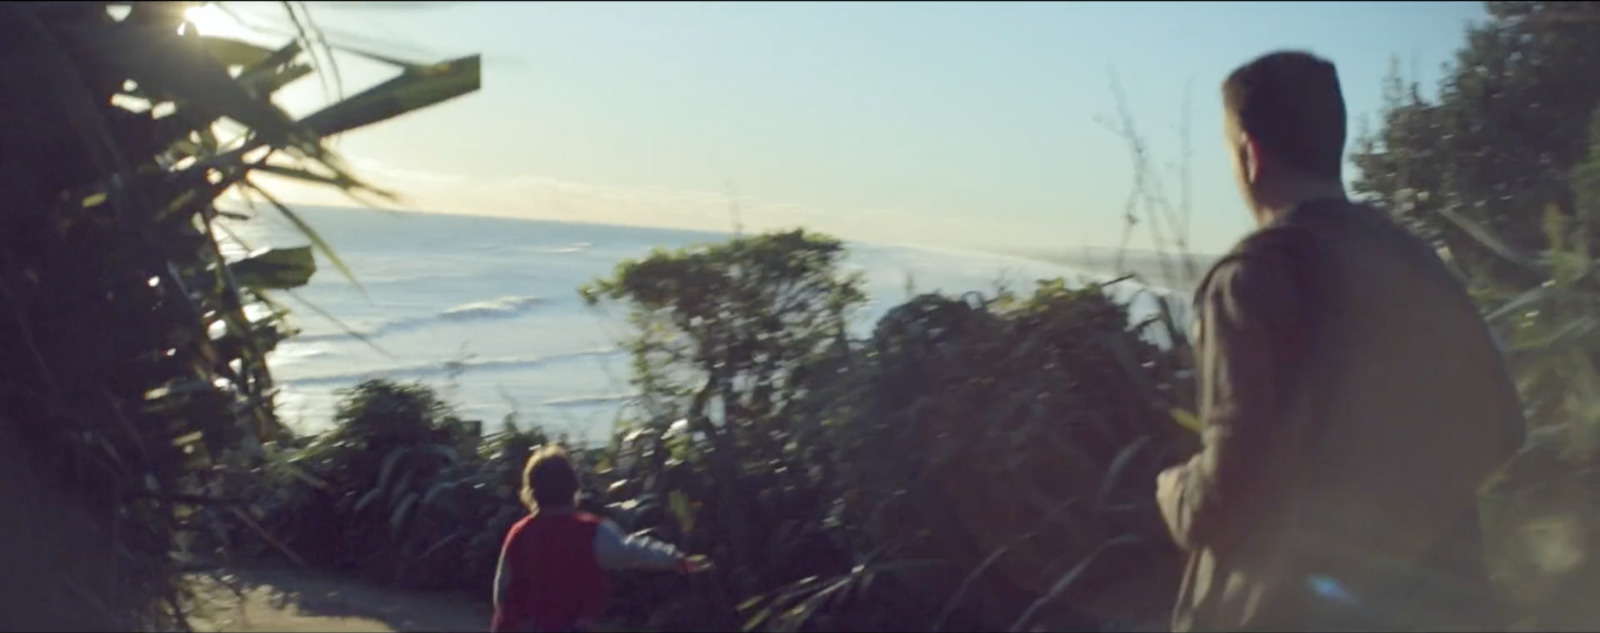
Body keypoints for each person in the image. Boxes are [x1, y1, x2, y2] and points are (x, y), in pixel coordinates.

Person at [1155, 50, 1527, 632]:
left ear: (1250, 155)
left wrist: (1174, 492)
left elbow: (1227, 492)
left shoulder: (1252, 279)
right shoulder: (1416, 261)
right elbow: (1505, 426)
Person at [491, 445, 707, 633]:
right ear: (574, 489)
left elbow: (501, 592)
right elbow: (633, 552)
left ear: (531, 492)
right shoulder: (590, 531)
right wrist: (676, 559)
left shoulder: (519, 533)